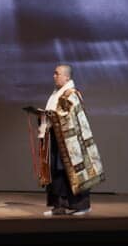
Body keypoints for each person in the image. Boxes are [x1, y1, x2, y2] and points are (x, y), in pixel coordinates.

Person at [36, 64, 105, 216]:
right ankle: (59, 206)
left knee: (74, 172)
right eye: (54, 73)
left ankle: (82, 206)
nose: (54, 76)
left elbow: (70, 117)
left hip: (70, 141)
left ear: (67, 77)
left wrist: (52, 116)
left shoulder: (72, 94)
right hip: (56, 139)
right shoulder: (56, 94)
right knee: (57, 172)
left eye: (57, 73)